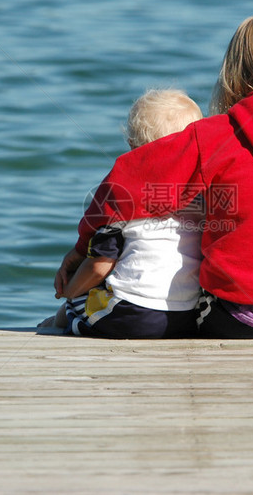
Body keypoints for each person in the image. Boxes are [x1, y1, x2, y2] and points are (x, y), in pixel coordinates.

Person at [55, 15, 253, 338]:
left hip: (238, 320)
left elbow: (125, 184)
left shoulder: (215, 136)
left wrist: (83, 246)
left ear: (234, 71)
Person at [45, 89, 204, 338]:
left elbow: (100, 266)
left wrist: (69, 293)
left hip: (132, 314)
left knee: (75, 304)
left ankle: (60, 322)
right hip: (189, 317)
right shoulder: (203, 198)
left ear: (132, 147)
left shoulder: (124, 197)